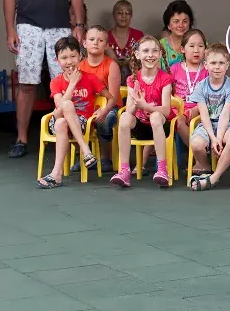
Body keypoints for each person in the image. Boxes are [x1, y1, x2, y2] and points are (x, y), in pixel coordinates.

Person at [3, 0, 86, 158]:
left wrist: (79, 24)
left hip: (59, 24)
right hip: (28, 24)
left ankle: (71, 136)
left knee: (67, 79)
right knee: (27, 82)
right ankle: (21, 138)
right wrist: (10, 29)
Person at [36, 36, 110, 189]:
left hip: (82, 123)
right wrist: (73, 83)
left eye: (72, 56)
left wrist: (104, 110)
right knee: (66, 107)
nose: (69, 61)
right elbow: (61, 107)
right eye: (64, 58)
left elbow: (110, 98)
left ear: (80, 56)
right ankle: (85, 150)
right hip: (58, 117)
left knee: (62, 123)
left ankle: (56, 174)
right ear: (57, 60)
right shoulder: (56, 82)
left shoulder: (91, 78)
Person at [111, 36, 176, 189]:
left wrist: (145, 106)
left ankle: (162, 170)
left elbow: (166, 111)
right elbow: (130, 111)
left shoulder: (166, 79)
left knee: (155, 116)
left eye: (154, 51)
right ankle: (124, 171)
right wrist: (136, 101)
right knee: (125, 117)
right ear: (137, 54)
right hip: (141, 127)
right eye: (145, 51)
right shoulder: (132, 79)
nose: (150, 55)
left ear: (160, 54)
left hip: (161, 126)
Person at [188, 44, 230, 191]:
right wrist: (213, 138)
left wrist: (218, 138)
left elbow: (225, 114)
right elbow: (204, 114)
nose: (217, 67)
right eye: (213, 63)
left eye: (221, 63)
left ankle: (214, 177)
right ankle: (207, 170)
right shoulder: (201, 87)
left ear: (227, 65)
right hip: (208, 124)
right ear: (206, 65)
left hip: (228, 124)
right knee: (196, 144)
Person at [78, 26, 121, 173]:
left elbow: (113, 97)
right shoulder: (80, 66)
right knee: (73, 119)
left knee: (105, 119)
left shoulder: (111, 65)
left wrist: (104, 110)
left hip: (109, 107)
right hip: (87, 107)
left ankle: (105, 157)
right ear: (84, 43)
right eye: (91, 39)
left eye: (100, 40)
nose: (95, 42)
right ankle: (85, 156)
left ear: (107, 45)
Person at [170, 29, 209, 175]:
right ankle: (199, 159)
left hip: (201, 111)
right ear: (182, 49)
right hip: (178, 111)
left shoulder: (208, 70)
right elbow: (168, 93)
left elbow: (212, 95)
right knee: (179, 121)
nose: (196, 50)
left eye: (200, 46)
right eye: (191, 46)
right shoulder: (174, 69)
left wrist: (197, 109)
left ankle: (199, 159)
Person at [106, 0, 143, 82]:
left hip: (134, 79)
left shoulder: (139, 35)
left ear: (131, 16)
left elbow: (141, 58)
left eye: (127, 13)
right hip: (112, 79)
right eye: (120, 13)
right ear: (114, 15)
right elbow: (113, 61)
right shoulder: (106, 36)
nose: (124, 16)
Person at [159, 0, 194, 71]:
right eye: (176, 21)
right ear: (168, 25)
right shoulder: (160, 46)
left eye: (185, 21)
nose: (181, 25)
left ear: (189, 23)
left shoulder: (199, 44)